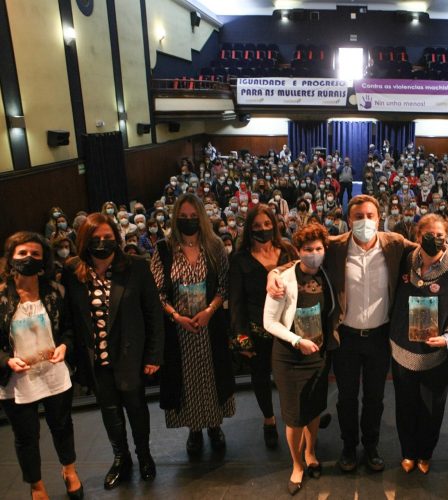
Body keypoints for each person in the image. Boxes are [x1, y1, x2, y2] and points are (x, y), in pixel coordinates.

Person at [267, 194, 448, 473]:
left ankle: (371, 447)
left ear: (379, 218)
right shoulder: (336, 246)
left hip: (379, 336)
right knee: (347, 398)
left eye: (370, 216)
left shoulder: (395, 244)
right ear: (349, 220)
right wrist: (274, 273)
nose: (365, 221)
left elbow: (436, 251)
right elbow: (303, 261)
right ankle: (349, 448)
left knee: (375, 398)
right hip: (346, 337)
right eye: (358, 216)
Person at [63, 213, 164, 489]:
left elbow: (153, 314)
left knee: (136, 409)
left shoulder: (136, 267)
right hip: (97, 360)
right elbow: (71, 318)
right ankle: (122, 459)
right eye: (96, 239)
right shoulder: (73, 272)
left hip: (130, 356)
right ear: (85, 241)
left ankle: (144, 456)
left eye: (108, 237)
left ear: (117, 239)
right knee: (110, 413)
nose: (102, 243)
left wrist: (154, 355)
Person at [390, 214, 448, 474]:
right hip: (403, 350)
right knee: (405, 406)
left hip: (437, 353)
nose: (436, 239)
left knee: (432, 409)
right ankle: (408, 452)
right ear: (418, 237)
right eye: (430, 234)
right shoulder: (405, 261)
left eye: (441, 235)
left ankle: (425, 453)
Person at [150, 194, 235, 456]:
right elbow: (157, 293)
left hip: (210, 326)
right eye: (183, 217)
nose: (188, 221)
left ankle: (214, 426)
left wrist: (210, 311)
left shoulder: (215, 246)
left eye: (193, 217)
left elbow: (224, 285)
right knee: (186, 382)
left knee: (211, 378)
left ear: (202, 217)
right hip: (179, 330)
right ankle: (194, 430)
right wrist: (176, 316)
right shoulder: (164, 249)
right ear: (176, 218)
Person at [0, 232, 82, 500]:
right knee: (26, 436)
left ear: (43, 259)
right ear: (11, 257)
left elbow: (69, 329)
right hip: (16, 380)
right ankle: (37, 486)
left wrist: (64, 346)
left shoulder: (55, 291)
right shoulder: (1, 296)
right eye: (22, 253)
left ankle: (69, 471)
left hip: (53, 371)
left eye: (35, 254)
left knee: (62, 425)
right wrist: (6, 361)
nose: (29, 258)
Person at [263, 223, 337, 495]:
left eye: (318, 248)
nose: (314, 253)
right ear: (297, 251)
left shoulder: (328, 274)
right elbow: (269, 322)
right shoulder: (283, 279)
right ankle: (296, 463)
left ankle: (311, 452)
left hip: (317, 353)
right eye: (308, 249)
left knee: (314, 407)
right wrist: (297, 340)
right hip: (290, 356)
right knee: (294, 416)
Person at [229, 204, 298, 449]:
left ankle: (299, 417)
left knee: (291, 376)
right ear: (249, 229)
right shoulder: (239, 259)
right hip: (258, 330)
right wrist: (241, 337)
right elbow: (236, 301)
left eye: (267, 224)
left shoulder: (288, 250)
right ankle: (269, 420)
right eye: (257, 226)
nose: (263, 229)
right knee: (261, 377)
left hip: (289, 327)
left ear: (275, 225)